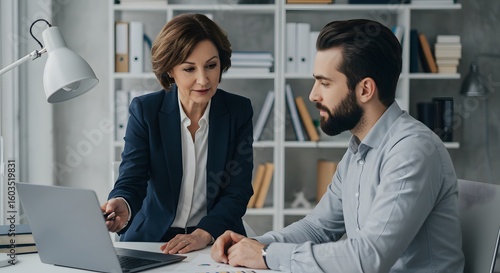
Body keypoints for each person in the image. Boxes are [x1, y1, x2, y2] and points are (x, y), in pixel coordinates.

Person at [211, 19, 465, 272]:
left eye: (325, 83)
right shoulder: (358, 151)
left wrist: (267, 255)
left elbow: (369, 258)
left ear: (365, 89)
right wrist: (252, 245)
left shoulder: (412, 151)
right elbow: (317, 227)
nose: (313, 95)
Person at [101, 13, 254, 255]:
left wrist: (203, 234)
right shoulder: (146, 111)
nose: (203, 79)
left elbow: (238, 189)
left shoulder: (238, 111)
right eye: (189, 68)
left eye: (211, 66)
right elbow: (133, 177)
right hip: (153, 237)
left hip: (214, 237)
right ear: (170, 70)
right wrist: (123, 204)